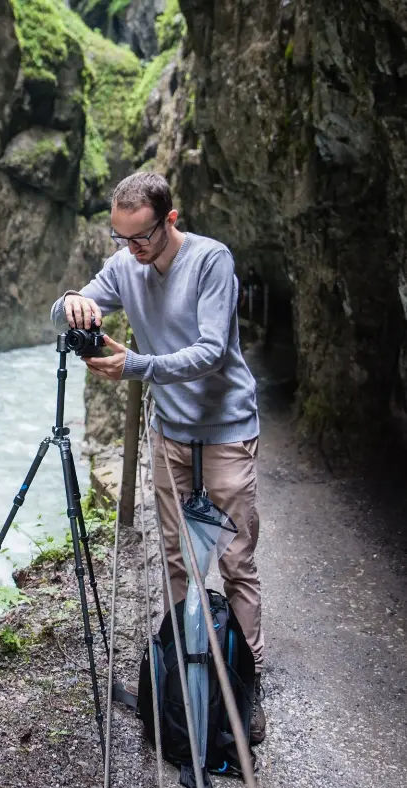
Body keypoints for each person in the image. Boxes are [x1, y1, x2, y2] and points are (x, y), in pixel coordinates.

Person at [49, 172, 266, 744]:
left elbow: (211, 351)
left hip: (224, 431)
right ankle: (184, 674)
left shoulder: (211, 261)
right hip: (171, 435)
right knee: (176, 558)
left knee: (235, 560)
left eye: (141, 238)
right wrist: (70, 302)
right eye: (120, 240)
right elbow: (71, 308)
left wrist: (137, 366)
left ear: (169, 220)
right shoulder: (126, 265)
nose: (131, 252)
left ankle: (245, 685)